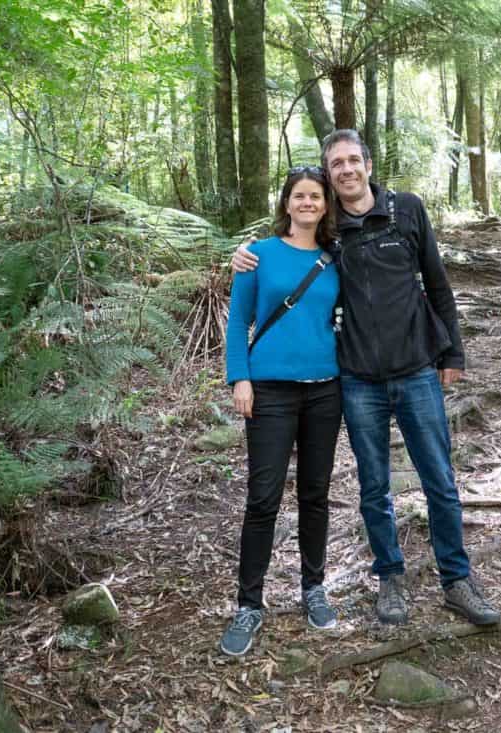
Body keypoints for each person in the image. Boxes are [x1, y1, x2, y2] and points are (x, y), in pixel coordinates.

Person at [232, 130, 499, 627]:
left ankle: (457, 580)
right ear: (328, 174)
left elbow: (437, 283)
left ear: (369, 164)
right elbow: (285, 251)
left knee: (439, 480)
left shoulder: (408, 210)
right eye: (337, 164)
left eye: (354, 160)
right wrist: (243, 254)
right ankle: (390, 579)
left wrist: (452, 354)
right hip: (356, 380)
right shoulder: (329, 234)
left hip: (418, 368)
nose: (347, 170)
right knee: (374, 487)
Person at [220, 166, 343, 656]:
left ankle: (313, 588)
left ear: (326, 205)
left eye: (316, 196)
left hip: (325, 390)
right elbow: (237, 322)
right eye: (300, 196)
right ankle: (249, 603)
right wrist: (239, 377)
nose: (308, 203)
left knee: (315, 493)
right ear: (287, 204)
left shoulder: (337, 259)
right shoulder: (258, 256)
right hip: (268, 391)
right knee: (263, 498)